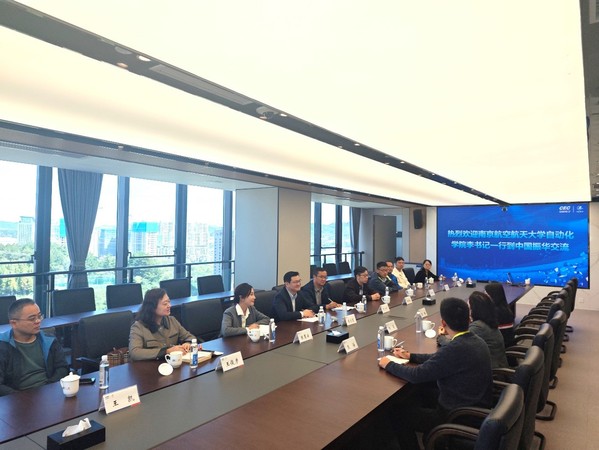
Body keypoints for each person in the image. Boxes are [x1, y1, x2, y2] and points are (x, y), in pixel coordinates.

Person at [379, 297, 493, 450]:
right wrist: (410, 356)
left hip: (457, 415)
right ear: (469, 319)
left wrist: (388, 364)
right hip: (473, 404)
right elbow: (439, 358)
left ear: (443, 323)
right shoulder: (476, 340)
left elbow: (416, 376)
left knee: (398, 414)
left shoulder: (455, 349)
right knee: (422, 392)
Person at [0, 298, 68, 396]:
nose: (38, 321)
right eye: (32, 319)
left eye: (39, 316)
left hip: (47, 392)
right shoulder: (3, 345)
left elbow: (62, 368)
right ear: (14, 323)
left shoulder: (48, 340)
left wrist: (48, 388)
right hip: (16, 397)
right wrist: (21, 397)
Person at [437, 291, 508, 369]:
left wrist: (441, 337)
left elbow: (455, 346)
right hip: (498, 365)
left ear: (474, 310)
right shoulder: (488, 321)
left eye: (469, 308)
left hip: (492, 371)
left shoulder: (478, 327)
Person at [129, 288, 196, 361]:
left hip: (172, 363)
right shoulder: (138, 327)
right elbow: (134, 353)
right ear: (152, 307)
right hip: (151, 365)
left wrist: (187, 343)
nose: (169, 305)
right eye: (165, 304)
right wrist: (166, 351)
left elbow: (190, 337)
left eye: (169, 302)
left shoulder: (172, 320)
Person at [485, 282, 516, 348]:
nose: (485, 296)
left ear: (493, 295)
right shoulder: (505, 307)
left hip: (502, 347)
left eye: (487, 294)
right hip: (507, 343)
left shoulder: (496, 312)